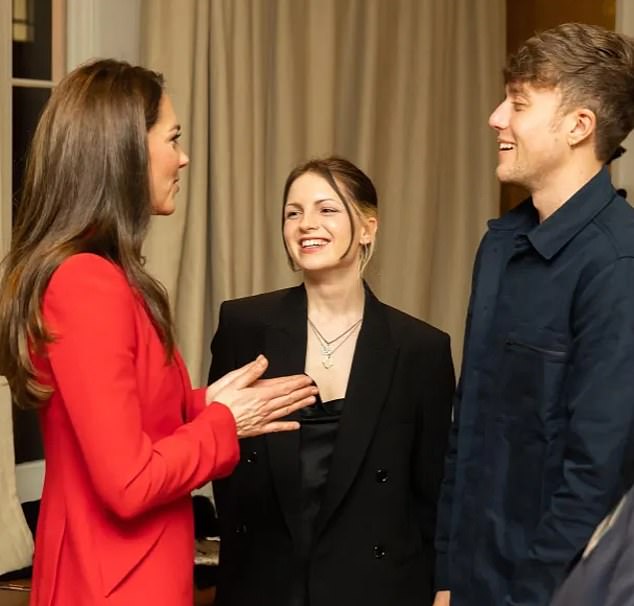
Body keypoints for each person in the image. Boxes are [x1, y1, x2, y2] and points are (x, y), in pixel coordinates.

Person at [0, 59, 318, 606]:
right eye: (172, 138)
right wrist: (223, 422)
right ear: (123, 152)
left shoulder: (97, 274)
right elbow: (127, 483)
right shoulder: (85, 283)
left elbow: (118, 422)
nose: (183, 156)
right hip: (116, 585)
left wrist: (200, 406)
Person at [433, 23, 634, 606]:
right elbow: (466, 427)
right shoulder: (500, 245)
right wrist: (446, 575)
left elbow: (594, 473)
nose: (497, 117)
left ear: (579, 127)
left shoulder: (618, 263)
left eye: (518, 103)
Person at [208, 156, 455, 606]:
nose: (306, 224)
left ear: (367, 228)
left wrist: (442, 589)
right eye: (293, 212)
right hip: (264, 583)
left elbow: (432, 492)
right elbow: (221, 457)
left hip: (377, 589)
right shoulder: (244, 324)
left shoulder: (421, 349)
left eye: (326, 209)